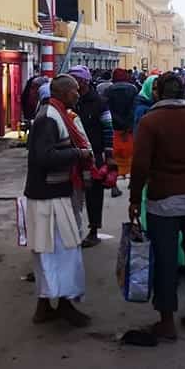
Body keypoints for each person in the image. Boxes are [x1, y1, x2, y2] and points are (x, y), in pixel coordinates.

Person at [130, 72, 185, 339]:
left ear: (157, 93)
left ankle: (166, 321)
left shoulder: (149, 122)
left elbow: (141, 164)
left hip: (162, 203)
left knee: (165, 262)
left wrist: (135, 198)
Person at [23, 75, 94, 327]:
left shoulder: (56, 113)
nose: (78, 94)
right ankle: (62, 305)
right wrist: (79, 153)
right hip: (48, 197)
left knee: (50, 253)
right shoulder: (49, 117)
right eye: (75, 91)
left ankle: (45, 307)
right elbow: (44, 157)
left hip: (52, 194)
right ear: (63, 93)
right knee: (62, 253)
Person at [68, 65, 114, 248]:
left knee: (94, 193)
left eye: (75, 80)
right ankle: (72, 228)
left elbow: (108, 128)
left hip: (94, 156)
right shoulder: (69, 102)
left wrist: (108, 155)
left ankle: (94, 229)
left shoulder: (99, 102)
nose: (72, 84)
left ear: (83, 81)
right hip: (72, 155)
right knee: (73, 192)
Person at [104, 69, 138, 195]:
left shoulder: (108, 90)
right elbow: (134, 108)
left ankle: (114, 185)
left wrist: (117, 123)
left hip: (114, 128)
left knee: (114, 156)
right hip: (129, 130)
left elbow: (108, 109)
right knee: (132, 155)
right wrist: (128, 125)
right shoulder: (133, 89)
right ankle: (132, 182)